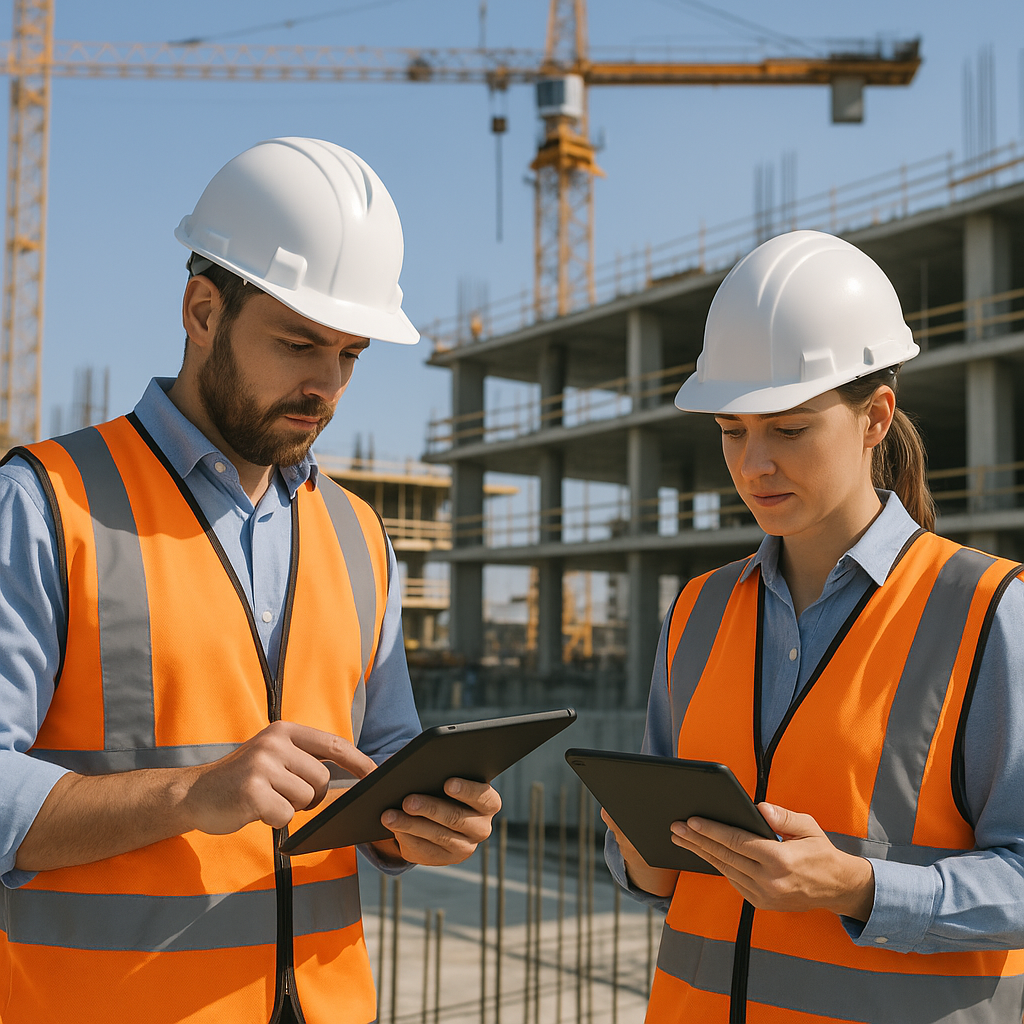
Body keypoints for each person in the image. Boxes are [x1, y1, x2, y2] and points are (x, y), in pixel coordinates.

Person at [0, 137, 501, 1024]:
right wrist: (193, 794)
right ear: (202, 311)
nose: (326, 384)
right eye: (298, 343)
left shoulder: (359, 534)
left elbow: (384, 762)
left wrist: (420, 824)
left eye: (350, 354)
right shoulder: (46, 503)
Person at [604, 230, 1024, 1023]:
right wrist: (640, 856)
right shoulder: (697, 611)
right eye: (733, 431)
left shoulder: (988, 610)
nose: (754, 464)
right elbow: (658, 867)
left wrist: (860, 886)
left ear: (876, 418)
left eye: (789, 428)